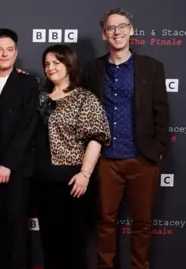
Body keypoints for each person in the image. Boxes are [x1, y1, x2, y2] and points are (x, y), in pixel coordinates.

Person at [81, 8, 169, 269]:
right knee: (105, 221)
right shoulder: (93, 69)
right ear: (104, 34)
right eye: (111, 28)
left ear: (131, 30)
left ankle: (140, 265)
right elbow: (74, 97)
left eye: (122, 26)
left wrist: (158, 148)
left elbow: (161, 111)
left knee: (142, 223)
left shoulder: (152, 68)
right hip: (107, 158)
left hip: (142, 157)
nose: (117, 32)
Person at [35, 44, 111, 269]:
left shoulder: (84, 98)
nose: (50, 68)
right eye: (47, 64)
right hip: (43, 180)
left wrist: (85, 174)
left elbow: (96, 139)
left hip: (72, 181)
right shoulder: (39, 97)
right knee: (49, 243)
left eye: (56, 63)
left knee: (73, 244)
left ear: (69, 65)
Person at [0, 28, 38, 269]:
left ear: (16, 53)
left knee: (16, 227)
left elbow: (27, 127)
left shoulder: (27, 83)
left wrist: (8, 164)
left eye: (9, 50)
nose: (4, 54)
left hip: (16, 169)